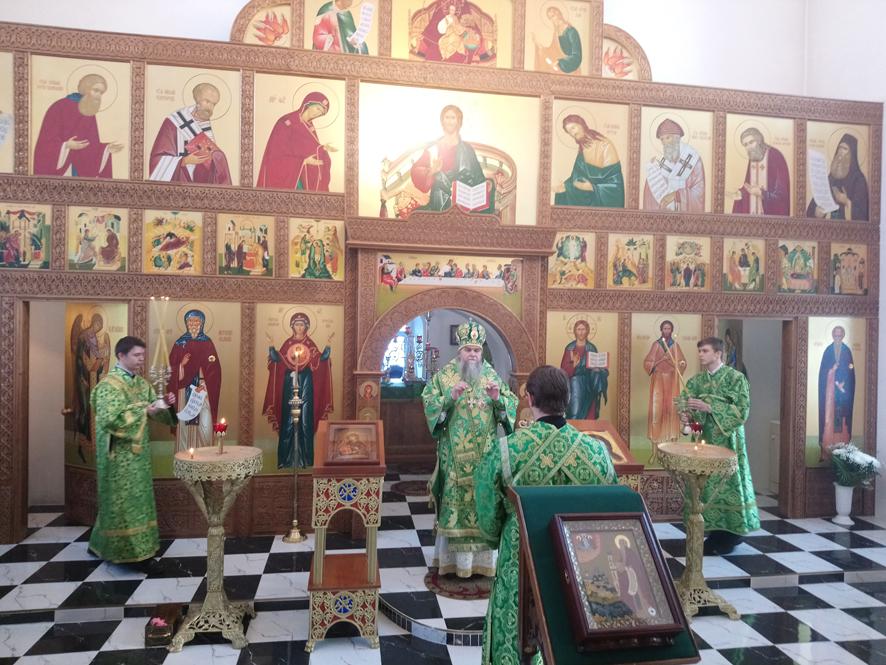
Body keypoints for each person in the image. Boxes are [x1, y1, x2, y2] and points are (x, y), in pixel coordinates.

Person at [475, 365, 617, 664]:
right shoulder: (597, 452)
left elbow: (486, 507)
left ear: (529, 398)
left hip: (521, 557)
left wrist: (498, 535)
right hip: (582, 557)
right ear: (568, 399)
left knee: (517, 635)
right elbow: (610, 509)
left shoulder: (508, 450)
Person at [422, 321, 517, 578]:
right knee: (455, 506)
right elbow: (430, 405)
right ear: (460, 351)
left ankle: (484, 564)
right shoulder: (444, 377)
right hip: (454, 457)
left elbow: (508, 410)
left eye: (477, 350)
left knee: (484, 504)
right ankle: (454, 564)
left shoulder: (491, 375)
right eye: (468, 350)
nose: (473, 354)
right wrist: (449, 398)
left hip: (485, 457)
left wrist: (498, 400)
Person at [88, 336, 175, 563]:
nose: (141, 359)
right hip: (118, 457)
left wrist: (165, 404)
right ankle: (133, 555)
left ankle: (101, 543)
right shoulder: (108, 386)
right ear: (121, 355)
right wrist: (144, 411)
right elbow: (110, 419)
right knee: (122, 502)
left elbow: (159, 415)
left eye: (143, 355)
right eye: (137, 355)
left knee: (137, 500)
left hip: (139, 457)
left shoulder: (142, 384)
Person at [680, 337, 759, 555]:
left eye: (705, 351)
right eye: (699, 351)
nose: (700, 354)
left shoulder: (736, 378)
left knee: (728, 486)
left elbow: (742, 411)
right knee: (704, 488)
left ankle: (731, 534)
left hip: (728, 444)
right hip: (704, 444)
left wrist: (710, 406)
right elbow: (693, 419)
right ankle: (709, 531)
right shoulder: (696, 381)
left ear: (718, 353)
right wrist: (687, 418)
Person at [262, 313, 333, 468]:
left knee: (306, 420)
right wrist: (271, 346)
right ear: (292, 327)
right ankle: (284, 460)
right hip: (290, 383)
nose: (299, 327)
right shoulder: (288, 344)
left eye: (302, 325)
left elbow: (320, 359)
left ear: (306, 327)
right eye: (297, 324)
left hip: (306, 383)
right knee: (287, 420)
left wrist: (327, 347)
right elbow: (278, 359)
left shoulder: (309, 344)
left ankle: (306, 460)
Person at [33, 73, 123, 178]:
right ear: (85, 89)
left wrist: (106, 149)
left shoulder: (89, 111)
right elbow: (45, 144)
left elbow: (91, 145)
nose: (98, 95)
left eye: (101, 93)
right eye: (96, 90)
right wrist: (66, 146)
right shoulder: (59, 106)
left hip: (78, 172)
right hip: (61, 172)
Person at [410, 105, 492, 213]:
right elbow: (416, 173)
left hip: (463, 205)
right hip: (439, 205)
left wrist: (487, 185)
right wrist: (432, 171)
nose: (449, 121)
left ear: (459, 122)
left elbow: (478, 178)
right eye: (447, 117)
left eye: (453, 118)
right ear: (442, 121)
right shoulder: (433, 148)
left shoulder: (467, 150)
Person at [148, 83, 232, 185]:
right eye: (207, 101)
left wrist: (216, 158)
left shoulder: (206, 124)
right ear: (197, 100)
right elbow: (157, 159)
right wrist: (185, 161)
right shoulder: (174, 122)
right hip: (179, 182)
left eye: (213, 104)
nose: (210, 107)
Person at [256, 92, 336, 191]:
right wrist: (303, 161)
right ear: (308, 104)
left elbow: (310, 147)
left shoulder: (309, 127)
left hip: (303, 174)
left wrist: (323, 148)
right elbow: (275, 154)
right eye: (318, 109)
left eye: (322, 113)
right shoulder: (286, 122)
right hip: (290, 176)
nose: (318, 113)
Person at [166, 309, 222, 452]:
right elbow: (170, 370)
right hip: (184, 391)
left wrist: (204, 384)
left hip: (203, 392)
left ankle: (205, 457)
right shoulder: (180, 343)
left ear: (202, 323)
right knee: (184, 425)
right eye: (190, 321)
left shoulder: (207, 343)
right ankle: (184, 456)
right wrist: (181, 365)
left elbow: (215, 369)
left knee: (205, 426)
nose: (193, 324)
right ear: (186, 323)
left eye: (197, 321)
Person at [554, 114, 625, 207]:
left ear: (581, 124)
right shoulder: (582, 149)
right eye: (569, 132)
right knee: (561, 196)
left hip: (603, 199)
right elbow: (577, 177)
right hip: (587, 197)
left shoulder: (604, 145)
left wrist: (593, 188)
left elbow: (616, 185)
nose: (572, 133)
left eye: (573, 128)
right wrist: (565, 187)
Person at [70, 313, 111, 461]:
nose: (98, 327)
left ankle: (96, 442)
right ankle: (84, 442)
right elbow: (79, 359)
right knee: (86, 409)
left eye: (100, 325)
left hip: (95, 378)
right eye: (97, 324)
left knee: (96, 408)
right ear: (93, 322)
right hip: (84, 379)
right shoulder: (83, 336)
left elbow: (99, 359)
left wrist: (102, 362)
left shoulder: (96, 339)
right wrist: (83, 376)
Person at [642, 119, 705, 212]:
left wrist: (677, 195)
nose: (665, 143)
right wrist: (652, 171)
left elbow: (698, 194)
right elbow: (651, 193)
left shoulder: (694, 160)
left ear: (677, 138)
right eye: (662, 139)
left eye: (668, 138)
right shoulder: (661, 163)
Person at [806, 133, 869, 221]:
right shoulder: (831, 177)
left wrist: (846, 202)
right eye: (840, 147)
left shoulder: (859, 180)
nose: (841, 152)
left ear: (852, 154)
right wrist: (816, 212)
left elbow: (863, 215)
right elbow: (813, 206)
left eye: (845, 149)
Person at [642, 320, 686, 442]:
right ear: (661, 330)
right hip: (658, 379)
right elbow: (647, 362)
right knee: (657, 408)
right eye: (665, 328)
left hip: (672, 379)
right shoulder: (656, 345)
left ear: (672, 330)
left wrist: (680, 364)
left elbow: (682, 362)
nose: (667, 331)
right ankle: (656, 440)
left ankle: (671, 439)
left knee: (671, 407)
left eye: (669, 329)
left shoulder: (675, 346)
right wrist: (660, 360)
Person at [732, 127, 790, 216]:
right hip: (752, 216)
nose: (749, 147)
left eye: (751, 142)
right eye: (745, 145)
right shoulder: (753, 157)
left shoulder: (776, 156)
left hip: (771, 217)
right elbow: (748, 186)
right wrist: (741, 193)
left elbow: (782, 197)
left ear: (759, 140)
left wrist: (761, 193)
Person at [818, 326, 855, 461]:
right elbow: (823, 372)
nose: (837, 338)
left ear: (843, 336)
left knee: (842, 420)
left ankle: (843, 451)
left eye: (840, 336)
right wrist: (831, 371)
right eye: (835, 336)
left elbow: (851, 369)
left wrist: (843, 383)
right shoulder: (828, 351)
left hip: (843, 394)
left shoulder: (847, 351)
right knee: (829, 419)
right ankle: (827, 450)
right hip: (830, 394)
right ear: (832, 336)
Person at [559, 319, 608, 419]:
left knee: (589, 413)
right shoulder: (570, 348)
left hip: (589, 384)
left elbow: (596, 365)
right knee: (575, 412)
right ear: (575, 331)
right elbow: (563, 370)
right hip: (575, 384)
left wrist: (597, 371)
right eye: (579, 329)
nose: (581, 332)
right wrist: (573, 365)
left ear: (587, 331)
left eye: (583, 329)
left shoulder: (591, 348)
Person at [533, 6, 582, 74]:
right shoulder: (556, 33)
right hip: (558, 68)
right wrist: (541, 48)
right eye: (550, 18)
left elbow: (577, 56)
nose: (552, 20)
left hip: (570, 69)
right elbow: (553, 50)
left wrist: (560, 62)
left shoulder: (571, 31)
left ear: (559, 14)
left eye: (553, 16)